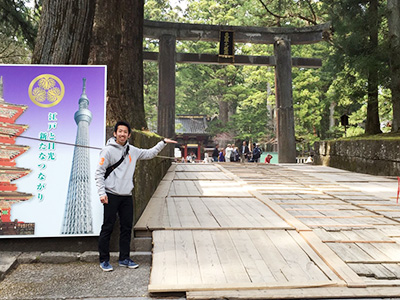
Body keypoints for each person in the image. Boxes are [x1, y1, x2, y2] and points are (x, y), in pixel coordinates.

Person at [95, 121, 176, 272]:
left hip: (126, 195)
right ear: (115, 133)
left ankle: (124, 258)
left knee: (127, 228)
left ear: (129, 135)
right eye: (120, 131)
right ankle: (104, 260)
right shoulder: (107, 151)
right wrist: (102, 193)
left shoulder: (132, 150)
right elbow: (99, 172)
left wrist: (162, 142)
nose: (122, 134)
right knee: (108, 227)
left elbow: (149, 153)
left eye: (125, 132)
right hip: (111, 194)